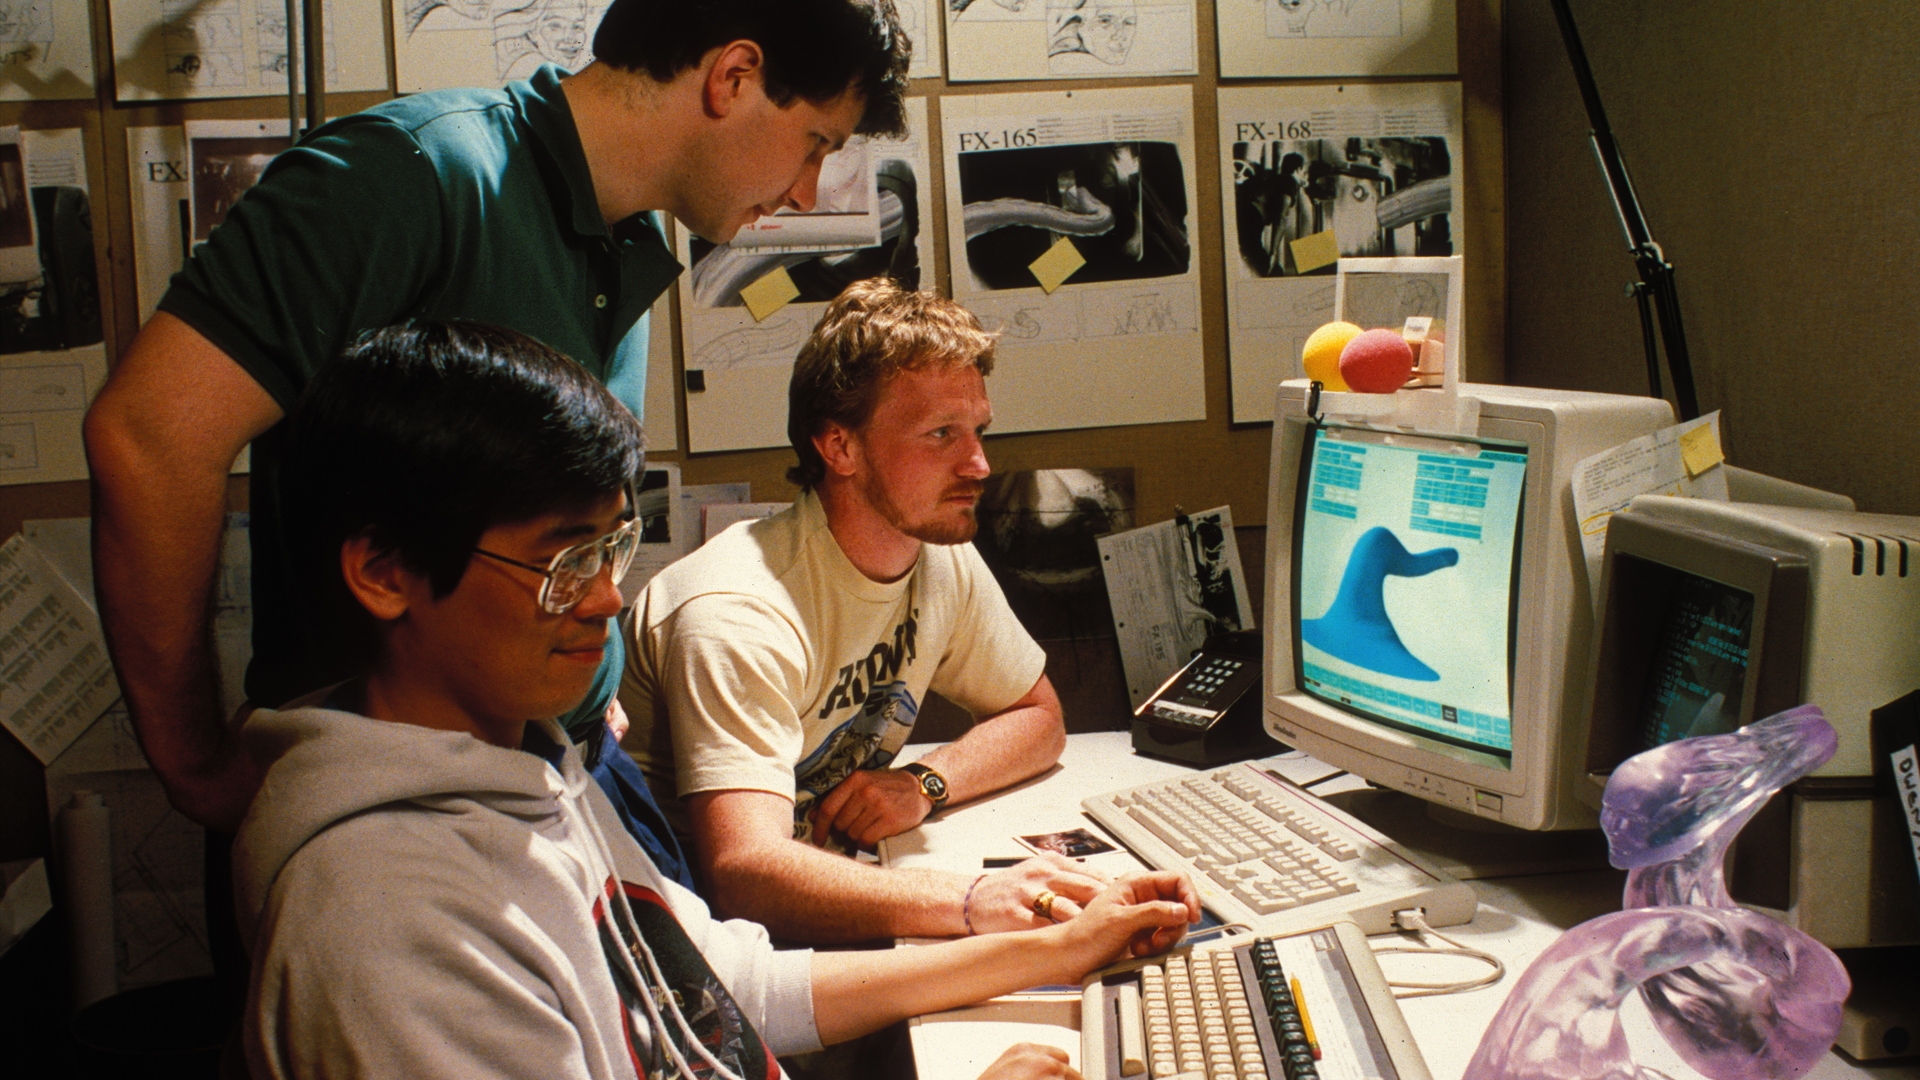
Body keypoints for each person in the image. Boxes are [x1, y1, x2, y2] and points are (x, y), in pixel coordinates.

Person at [236, 319, 1199, 1080]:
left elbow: (729, 987)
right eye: (567, 560)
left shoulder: (535, 766)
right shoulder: (386, 926)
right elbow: (746, 887)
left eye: (614, 549)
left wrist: (1058, 948)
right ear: (384, 571)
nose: (612, 597)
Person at [82, 0, 913, 852]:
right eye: (817, 141)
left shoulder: (627, 233)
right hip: (393, 812)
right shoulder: (410, 175)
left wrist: (588, 689)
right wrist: (193, 763)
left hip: (554, 770)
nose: (808, 189)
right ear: (732, 77)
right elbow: (148, 438)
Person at [622, 277, 1096, 944]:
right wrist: (969, 901)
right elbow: (744, 872)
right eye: (940, 434)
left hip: (824, 892)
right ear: (838, 447)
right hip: (708, 941)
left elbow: (1037, 717)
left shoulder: (935, 550)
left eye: (978, 430)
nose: (979, 464)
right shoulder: (737, 608)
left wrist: (925, 783)